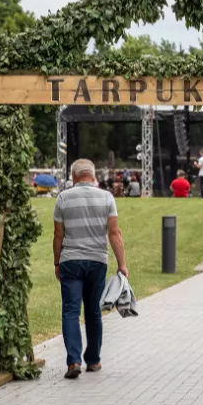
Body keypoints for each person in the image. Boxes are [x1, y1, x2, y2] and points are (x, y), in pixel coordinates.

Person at [53, 159, 128, 379]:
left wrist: (57, 262)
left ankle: (73, 361)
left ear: (73, 176)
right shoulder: (107, 198)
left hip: (71, 260)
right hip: (97, 261)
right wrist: (122, 264)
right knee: (93, 311)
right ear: (93, 177)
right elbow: (114, 234)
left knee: (70, 311)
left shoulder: (63, 198)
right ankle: (93, 360)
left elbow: (58, 235)